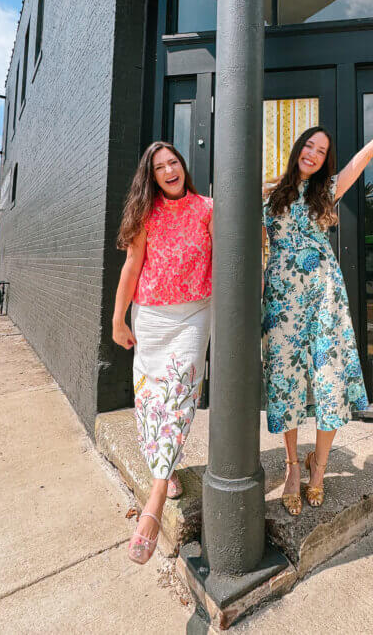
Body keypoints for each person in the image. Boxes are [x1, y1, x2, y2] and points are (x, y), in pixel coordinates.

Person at [262, 91, 373, 515]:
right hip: (282, 298)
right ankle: (290, 466)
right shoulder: (269, 192)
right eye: (309, 146)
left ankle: (318, 467)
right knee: (285, 378)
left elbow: (364, 155)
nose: (314, 154)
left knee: (328, 377)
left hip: (324, 294)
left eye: (322, 151)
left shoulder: (328, 190)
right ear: (297, 148)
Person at [113, 141, 213, 563]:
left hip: (194, 314)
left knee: (179, 395)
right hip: (150, 315)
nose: (169, 170)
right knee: (152, 398)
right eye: (159, 167)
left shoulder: (208, 207)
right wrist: (118, 319)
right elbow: (132, 266)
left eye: (174, 162)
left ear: (184, 168)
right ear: (150, 176)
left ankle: (152, 505)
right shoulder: (146, 214)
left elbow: (226, 256)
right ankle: (165, 468)